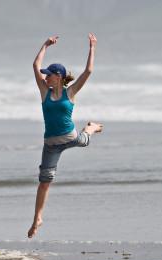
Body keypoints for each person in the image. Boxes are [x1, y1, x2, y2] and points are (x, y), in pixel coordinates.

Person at [28, 33, 103, 238]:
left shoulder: (70, 93)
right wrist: (45, 44)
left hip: (70, 137)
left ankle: (92, 127)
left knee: (85, 139)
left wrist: (92, 48)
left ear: (58, 76)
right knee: (45, 181)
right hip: (51, 145)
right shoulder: (44, 92)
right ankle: (37, 219)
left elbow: (88, 71)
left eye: (48, 75)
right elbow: (35, 66)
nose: (45, 77)